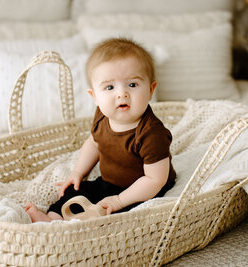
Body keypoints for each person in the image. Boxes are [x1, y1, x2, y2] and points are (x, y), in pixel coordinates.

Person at [25, 37, 176, 222]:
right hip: (108, 183)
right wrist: (77, 173)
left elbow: (155, 180)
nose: (122, 93)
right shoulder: (102, 116)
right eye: (110, 87)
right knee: (75, 190)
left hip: (144, 191)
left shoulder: (152, 134)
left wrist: (120, 200)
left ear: (151, 89)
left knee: (124, 215)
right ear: (94, 96)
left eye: (133, 84)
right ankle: (53, 218)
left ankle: (83, 225)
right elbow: (95, 143)